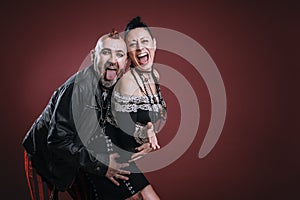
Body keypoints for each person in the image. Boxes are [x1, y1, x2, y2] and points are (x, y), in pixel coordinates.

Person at [22, 30, 143, 200]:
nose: (113, 60)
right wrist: (101, 165)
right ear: (94, 56)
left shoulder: (114, 86)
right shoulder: (78, 88)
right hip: (44, 157)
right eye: (106, 52)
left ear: (126, 62)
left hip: (75, 156)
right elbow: (57, 140)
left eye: (120, 54)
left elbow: (116, 126)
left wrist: (143, 138)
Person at [85, 17, 167, 200]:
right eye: (132, 44)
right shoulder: (127, 84)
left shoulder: (154, 75)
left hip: (124, 154)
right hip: (107, 156)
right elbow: (124, 131)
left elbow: (155, 113)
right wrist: (146, 134)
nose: (140, 48)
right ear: (128, 52)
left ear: (154, 44)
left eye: (144, 41)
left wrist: (150, 132)